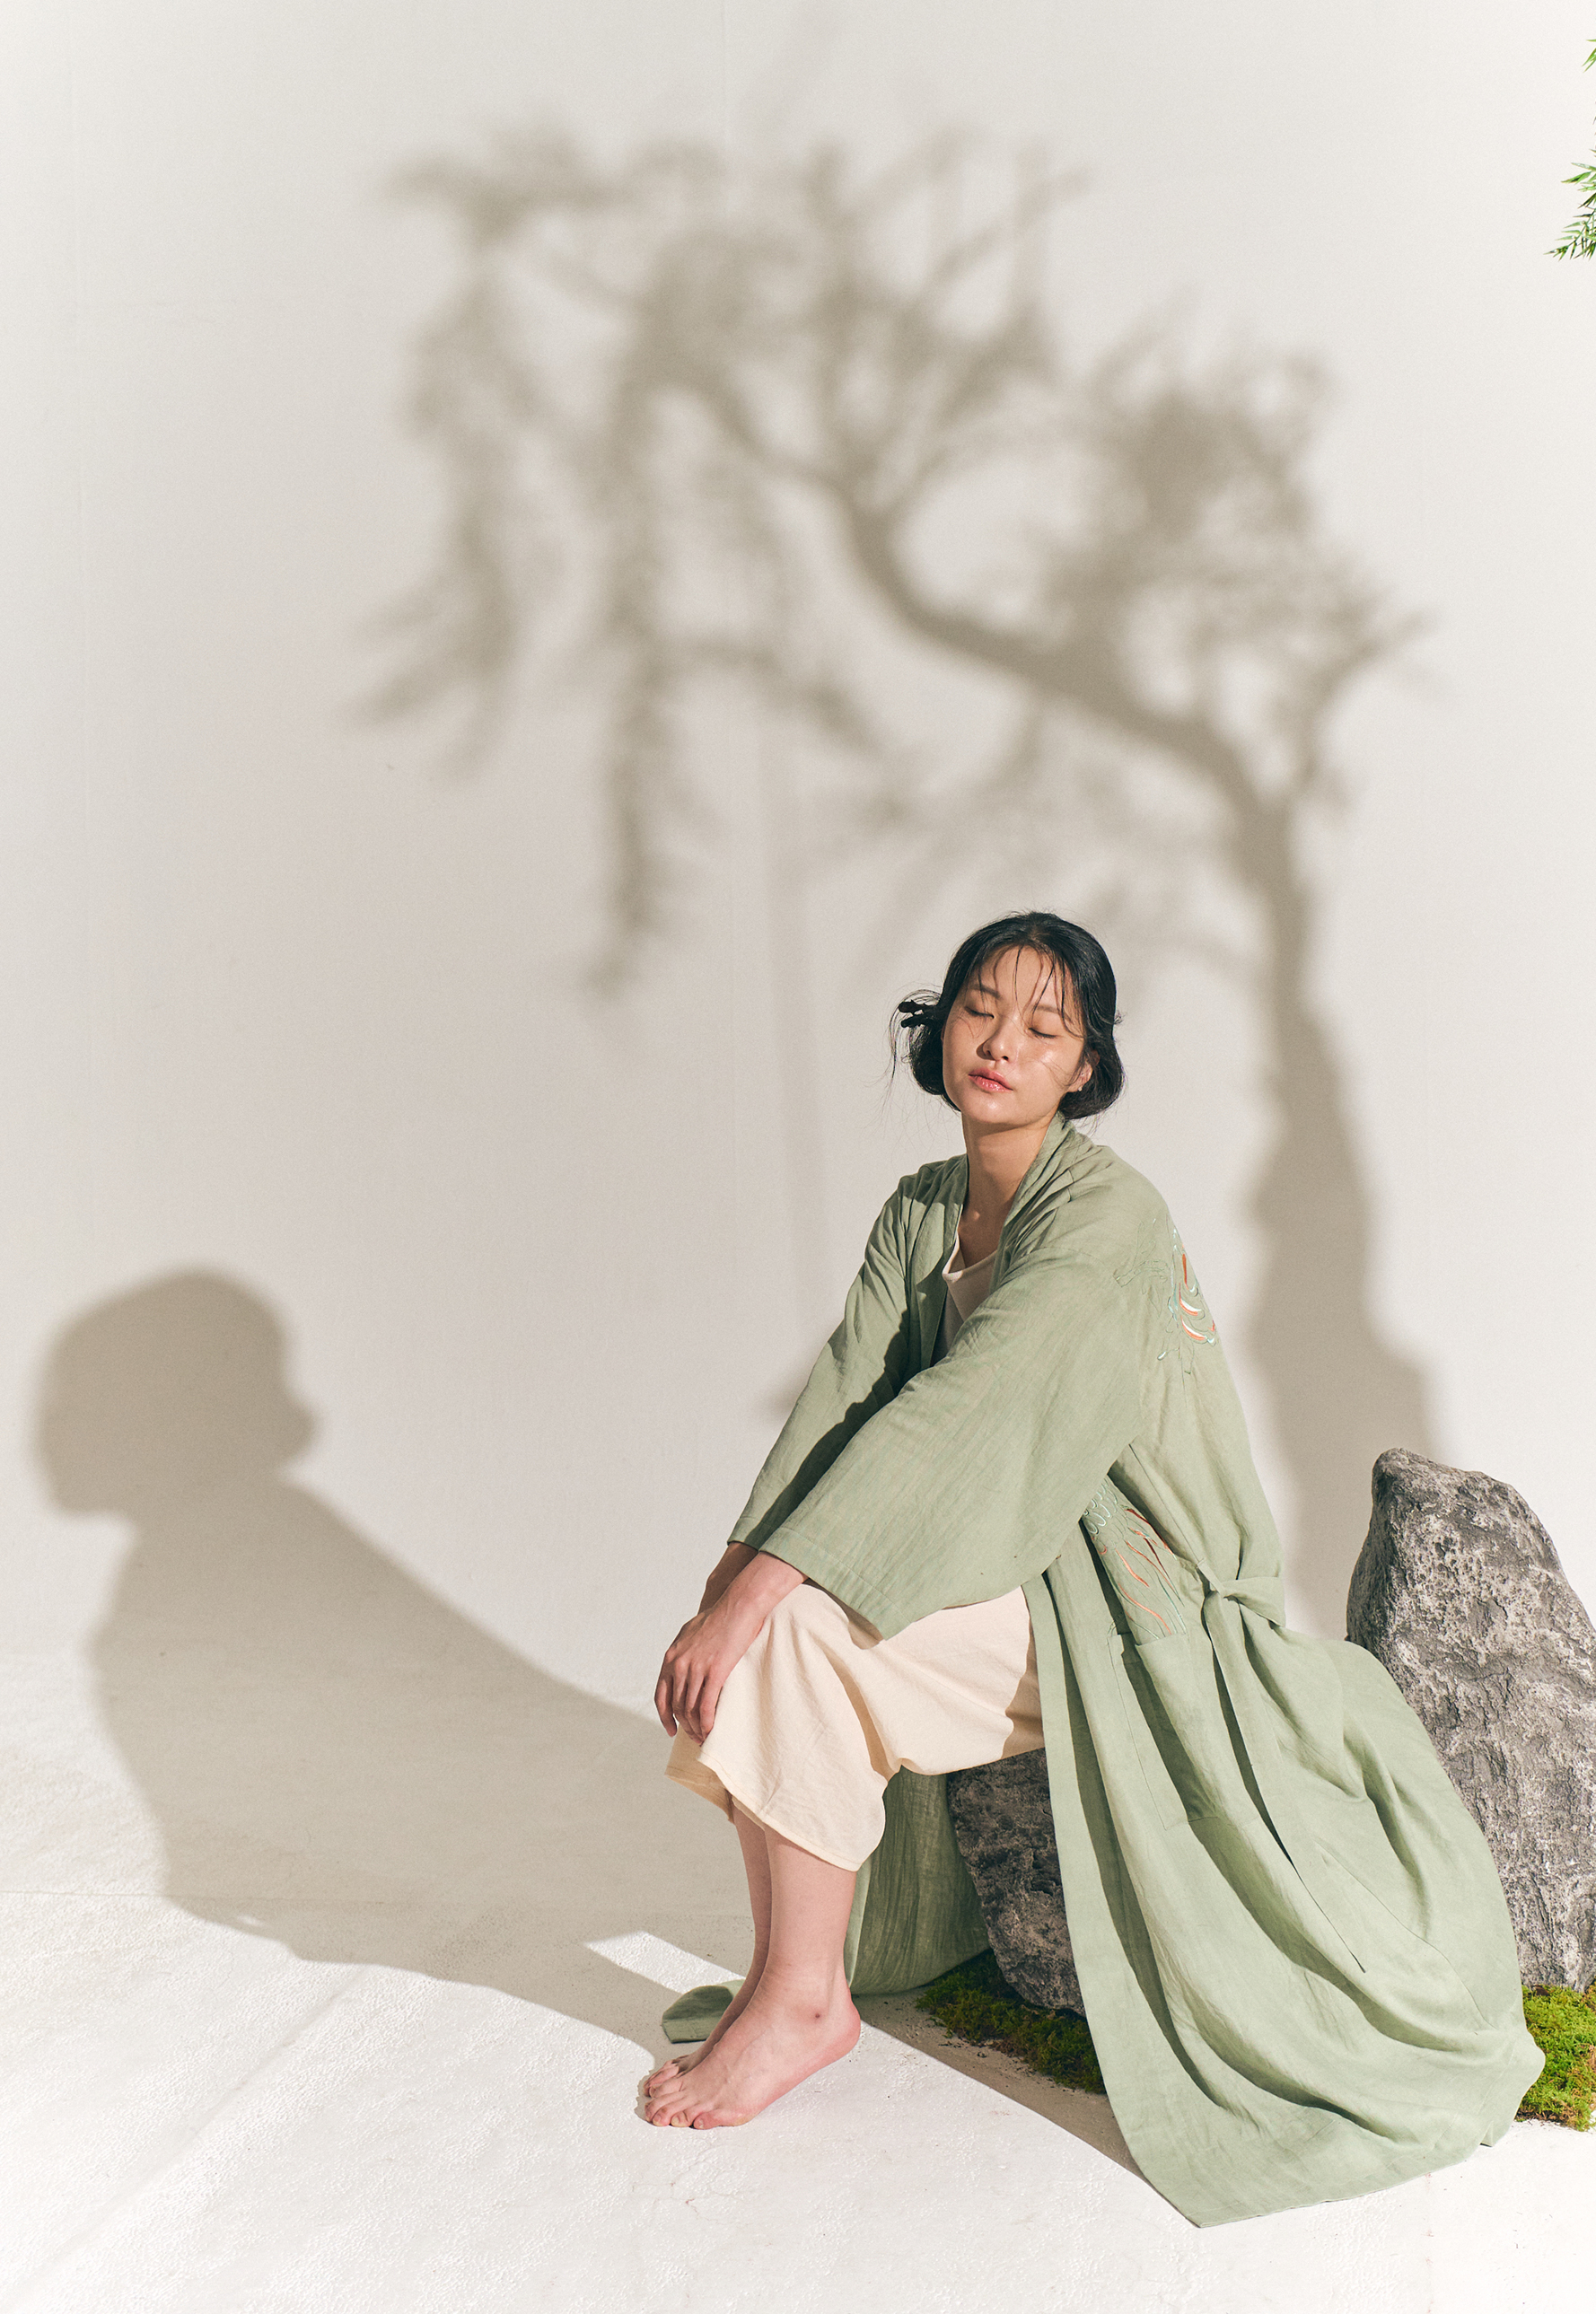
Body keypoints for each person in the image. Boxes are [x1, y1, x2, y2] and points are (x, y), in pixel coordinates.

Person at [645, 912, 1540, 2226]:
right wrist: (723, 1596)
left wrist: (764, 1601)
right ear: (937, 1027)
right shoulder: (922, 1210)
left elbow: (971, 1415)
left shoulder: (1109, 1213)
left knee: (795, 1637)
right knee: (767, 1638)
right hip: (986, 1550)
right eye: (978, 1008)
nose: (1001, 1042)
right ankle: (796, 1981)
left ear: (1086, 1068)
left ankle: (800, 2003)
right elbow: (839, 1405)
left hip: (1125, 1587)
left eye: (1044, 1027)